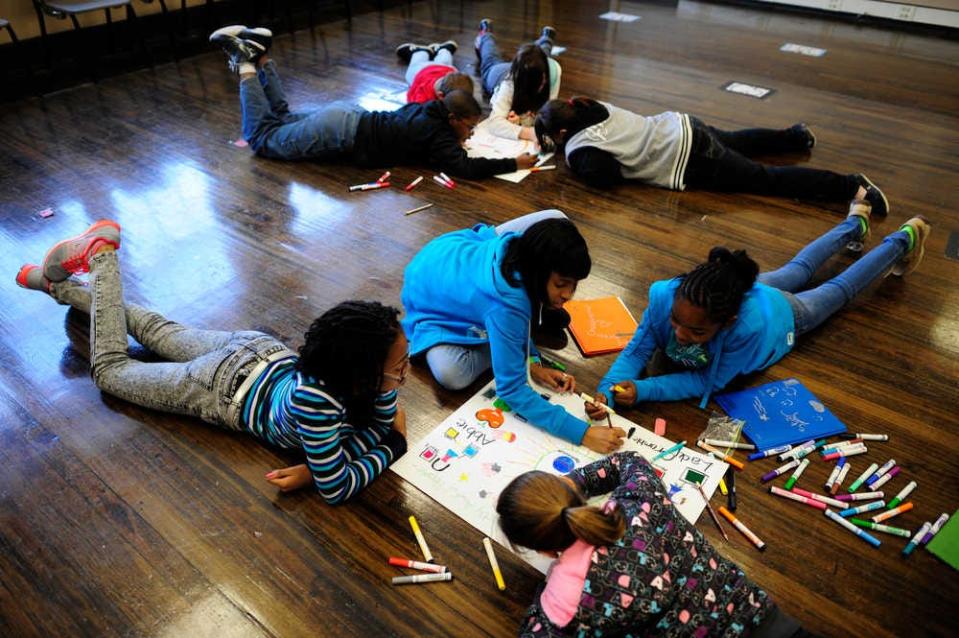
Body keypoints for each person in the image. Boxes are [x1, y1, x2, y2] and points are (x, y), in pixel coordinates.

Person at [16, 222, 410, 505]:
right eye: (400, 366)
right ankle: (101, 257)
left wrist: (322, 466)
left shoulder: (349, 373)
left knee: (155, 329)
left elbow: (373, 425)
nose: (405, 372)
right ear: (361, 375)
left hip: (257, 350)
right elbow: (338, 487)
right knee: (110, 371)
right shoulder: (318, 401)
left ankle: (58, 287)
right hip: (221, 387)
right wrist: (393, 444)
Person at [585, 202, 930, 416]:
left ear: (727, 322)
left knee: (837, 290)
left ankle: (903, 239)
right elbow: (638, 349)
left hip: (782, 315)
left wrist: (644, 390)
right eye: (676, 321)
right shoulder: (670, 297)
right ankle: (856, 223)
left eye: (696, 332)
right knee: (799, 268)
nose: (679, 333)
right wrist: (609, 390)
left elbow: (707, 380)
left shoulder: (746, 329)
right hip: (748, 289)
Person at [497, 452, 812, 637]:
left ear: (541, 550)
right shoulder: (640, 502)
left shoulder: (562, 602)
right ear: (574, 500)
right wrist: (577, 479)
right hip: (764, 618)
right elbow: (630, 460)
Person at [401, 210, 625, 454]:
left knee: (557, 218)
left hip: (447, 253)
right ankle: (514, 332)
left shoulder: (517, 247)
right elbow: (512, 390)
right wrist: (583, 432)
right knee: (453, 374)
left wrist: (533, 360)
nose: (569, 295)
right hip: (428, 302)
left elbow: (517, 311)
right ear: (537, 274)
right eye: (561, 285)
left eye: (574, 285)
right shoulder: (506, 307)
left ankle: (526, 325)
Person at [209, 25, 537, 177]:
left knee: (281, 118)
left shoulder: (429, 108)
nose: (470, 133)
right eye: (468, 127)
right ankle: (247, 63)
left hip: (348, 115)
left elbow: (442, 141)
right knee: (262, 138)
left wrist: (456, 138)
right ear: (452, 118)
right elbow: (464, 167)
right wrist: (512, 163)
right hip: (341, 132)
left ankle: (263, 55)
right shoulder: (439, 136)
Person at [534, 96, 890, 214]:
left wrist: (571, 163)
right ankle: (795, 136)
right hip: (681, 125)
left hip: (687, 158)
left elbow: (606, 178)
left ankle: (851, 186)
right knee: (738, 140)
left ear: (563, 135)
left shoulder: (581, 152)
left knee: (764, 179)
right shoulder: (585, 105)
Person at [475, 19, 562, 142]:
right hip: (498, 74)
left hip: (525, 68)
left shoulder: (553, 70)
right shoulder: (508, 85)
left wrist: (523, 120)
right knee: (490, 57)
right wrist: (530, 133)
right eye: (536, 83)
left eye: (543, 78)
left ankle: (547, 38)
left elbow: (548, 112)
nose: (542, 83)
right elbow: (494, 123)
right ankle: (486, 33)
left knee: (541, 53)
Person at [395, 39, 474, 104]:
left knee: (444, 62)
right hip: (422, 70)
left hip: (445, 69)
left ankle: (444, 50)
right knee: (414, 67)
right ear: (440, 96)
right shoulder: (422, 98)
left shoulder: (450, 81)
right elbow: (411, 102)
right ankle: (421, 51)